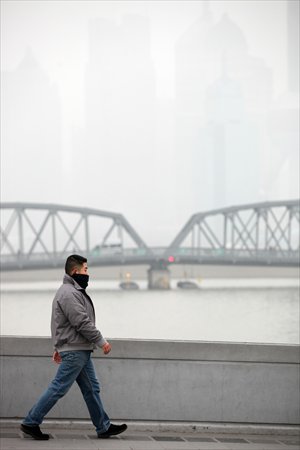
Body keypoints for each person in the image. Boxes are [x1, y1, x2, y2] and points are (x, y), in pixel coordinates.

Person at [21, 254, 127, 440]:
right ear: (75, 271)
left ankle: (103, 427)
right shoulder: (69, 293)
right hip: (76, 350)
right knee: (58, 387)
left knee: (91, 388)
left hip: (78, 348)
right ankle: (31, 422)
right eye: (85, 270)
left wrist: (57, 347)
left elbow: (60, 323)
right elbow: (81, 322)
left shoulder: (71, 291)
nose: (88, 273)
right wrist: (101, 341)